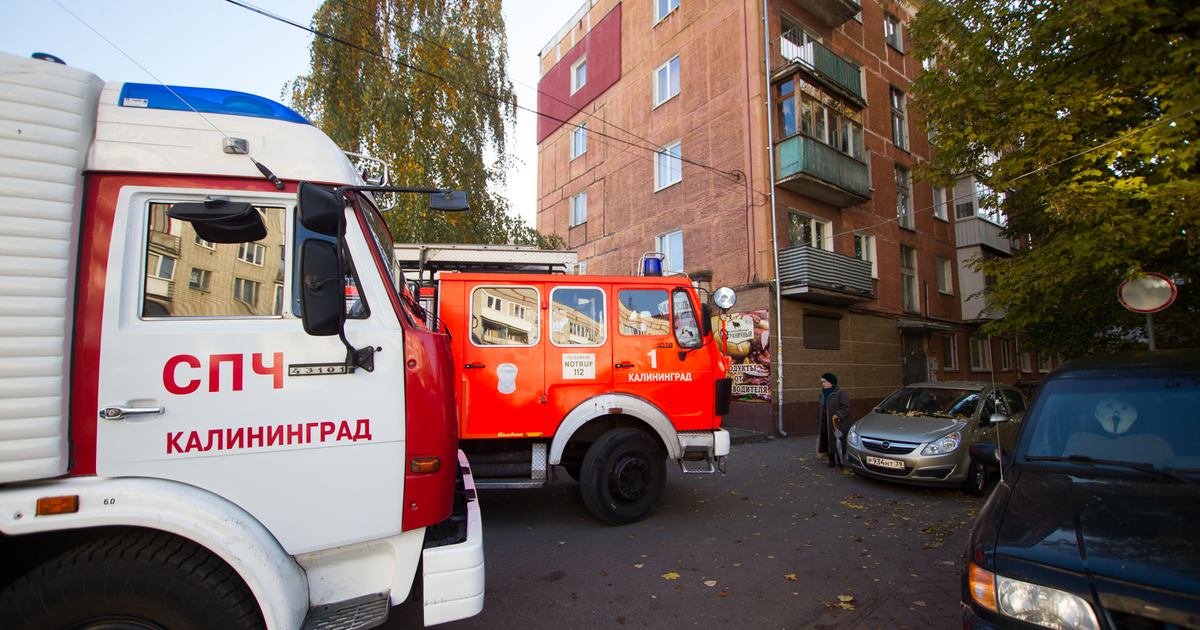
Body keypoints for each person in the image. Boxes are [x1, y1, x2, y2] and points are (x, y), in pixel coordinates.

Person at [816, 373, 851, 468]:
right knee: (828, 440)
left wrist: (838, 415)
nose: (823, 384)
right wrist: (819, 419)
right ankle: (831, 460)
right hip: (825, 422)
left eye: (825, 382)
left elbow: (846, 407)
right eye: (823, 382)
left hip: (836, 423)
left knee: (837, 441)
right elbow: (820, 407)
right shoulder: (822, 393)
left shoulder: (840, 392)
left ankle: (840, 461)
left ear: (831, 383)